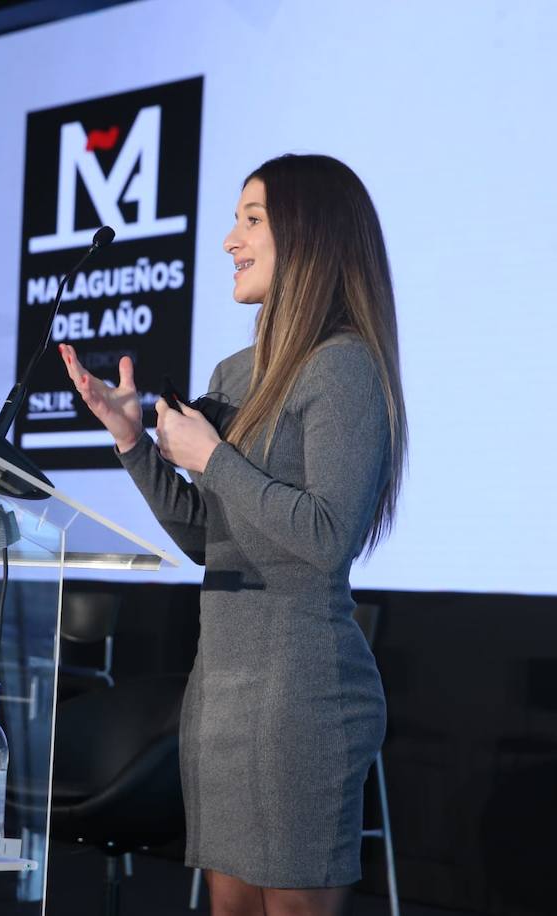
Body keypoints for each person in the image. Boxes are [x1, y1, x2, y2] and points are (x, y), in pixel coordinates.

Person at [60, 154, 407, 916]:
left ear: (310, 238)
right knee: (229, 908)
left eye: (252, 220)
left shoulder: (342, 367)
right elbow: (206, 536)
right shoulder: (235, 371)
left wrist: (213, 457)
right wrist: (133, 446)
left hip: (302, 689)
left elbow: (324, 536)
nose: (228, 240)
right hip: (221, 682)